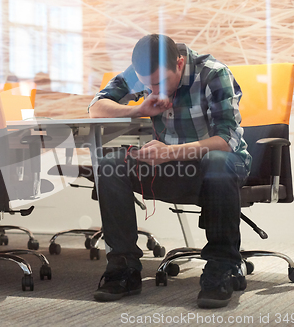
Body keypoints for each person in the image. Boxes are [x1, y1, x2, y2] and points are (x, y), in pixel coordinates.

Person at [87, 34, 251, 308]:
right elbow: (95, 108)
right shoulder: (141, 73)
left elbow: (227, 140)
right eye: (148, 84)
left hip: (216, 166)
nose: (155, 90)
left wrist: (171, 152)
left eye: (161, 82)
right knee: (110, 163)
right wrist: (138, 108)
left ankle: (222, 267)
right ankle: (124, 268)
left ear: (180, 63)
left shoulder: (214, 74)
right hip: (167, 166)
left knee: (218, 161)